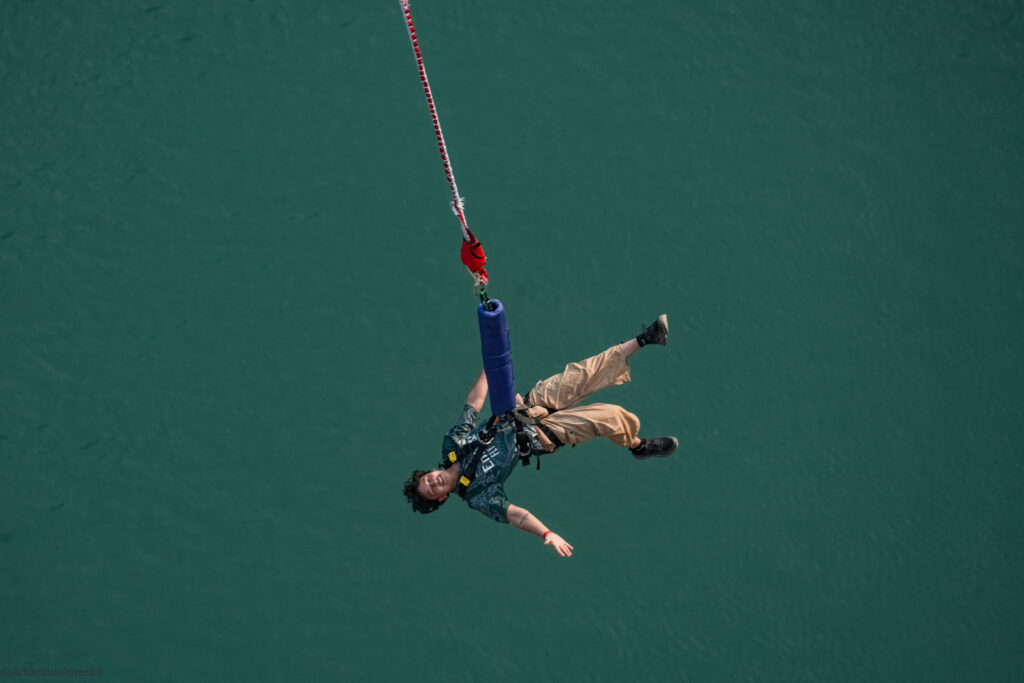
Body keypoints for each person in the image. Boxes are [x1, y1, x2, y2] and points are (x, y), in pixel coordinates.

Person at [402, 315, 678, 558]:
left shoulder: (452, 446)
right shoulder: (479, 495)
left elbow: (473, 404)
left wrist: (491, 365)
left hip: (525, 406)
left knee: (582, 373)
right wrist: (547, 533)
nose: (433, 481)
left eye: (428, 479)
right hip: (543, 435)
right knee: (609, 416)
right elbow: (517, 515)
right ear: (442, 498)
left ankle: (646, 338)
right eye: (433, 489)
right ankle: (638, 446)